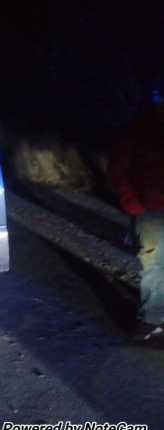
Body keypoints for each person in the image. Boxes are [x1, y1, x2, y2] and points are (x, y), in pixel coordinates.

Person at [109, 86, 164, 341]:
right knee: (154, 265)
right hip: (150, 210)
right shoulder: (134, 131)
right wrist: (133, 204)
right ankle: (153, 318)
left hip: (150, 208)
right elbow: (119, 171)